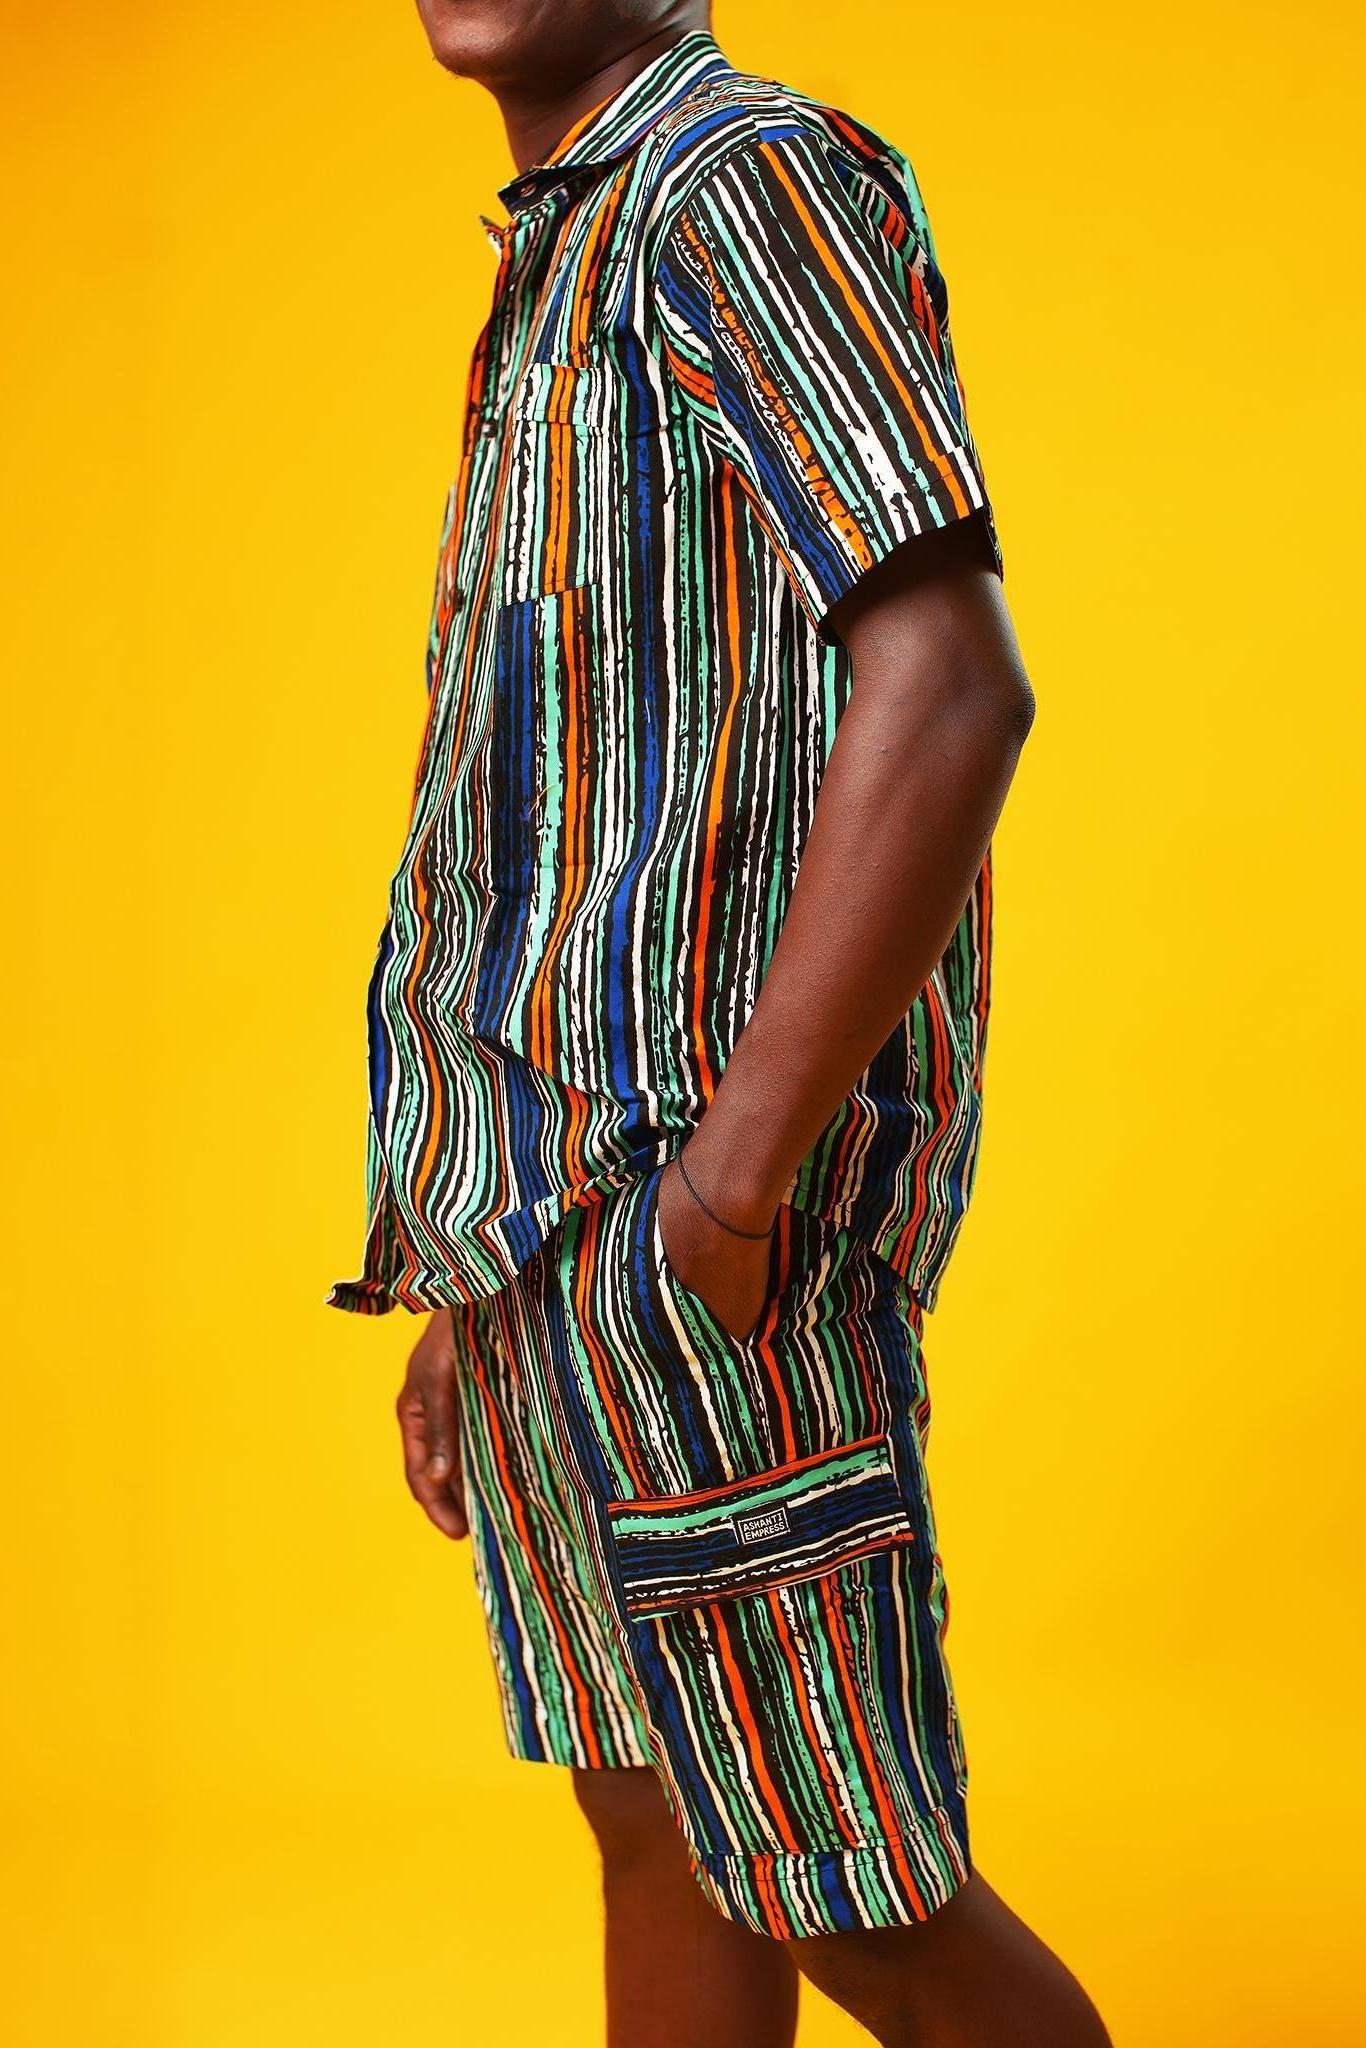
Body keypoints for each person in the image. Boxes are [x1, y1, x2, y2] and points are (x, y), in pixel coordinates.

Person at [329, 6, 1111, 2042]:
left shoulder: (733, 182)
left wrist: (730, 1193)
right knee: (664, 1829)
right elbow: (594, 786)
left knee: (850, 1891)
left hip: (695, 1244)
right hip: (552, 1234)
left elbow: (949, 680)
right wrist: (476, 1260)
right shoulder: (565, 245)